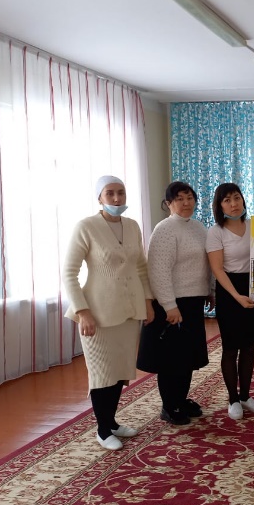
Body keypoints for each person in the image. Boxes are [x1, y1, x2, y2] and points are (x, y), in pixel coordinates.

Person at [63, 175, 154, 451]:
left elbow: (141, 267)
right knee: (101, 372)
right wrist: (83, 311)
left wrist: (148, 302)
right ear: (99, 198)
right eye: (110, 193)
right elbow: (69, 273)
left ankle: (112, 422)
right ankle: (103, 430)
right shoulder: (86, 227)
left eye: (121, 192)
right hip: (97, 314)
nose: (117, 198)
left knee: (119, 370)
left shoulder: (132, 225)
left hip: (129, 310)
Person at [137, 181, 212, 426]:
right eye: (179, 199)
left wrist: (209, 291)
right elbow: (158, 271)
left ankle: (180, 399)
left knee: (187, 357)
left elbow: (207, 263)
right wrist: (169, 305)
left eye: (189, 198)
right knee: (171, 359)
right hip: (172, 304)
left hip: (193, 301)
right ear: (168, 203)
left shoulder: (198, 227)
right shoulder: (165, 229)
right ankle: (169, 406)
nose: (186, 203)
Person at [206, 182, 254, 420]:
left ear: (243, 200)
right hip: (229, 290)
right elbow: (217, 269)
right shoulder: (216, 232)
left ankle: (245, 396)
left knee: (249, 346)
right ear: (219, 206)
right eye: (227, 200)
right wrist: (237, 297)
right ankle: (233, 399)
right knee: (231, 348)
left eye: (236, 198)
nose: (233, 204)